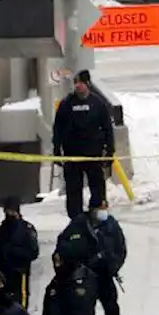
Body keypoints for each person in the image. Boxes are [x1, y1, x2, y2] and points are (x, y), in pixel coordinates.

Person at [53, 75, 115, 220]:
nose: (77, 86)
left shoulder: (98, 103)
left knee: (97, 186)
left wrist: (110, 151)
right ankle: (76, 219)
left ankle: (97, 213)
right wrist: (57, 151)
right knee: (73, 189)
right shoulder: (66, 104)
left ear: (87, 84)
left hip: (93, 154)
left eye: (80, 83)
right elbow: (58, 129)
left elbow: (107, 128)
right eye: (76, 83)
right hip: (72, 156)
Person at [91, 200, 129, 315]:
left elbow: (121, 248)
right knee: (85, 311)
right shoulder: (83, 224)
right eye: (101, 208)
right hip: (88, 275)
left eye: (105, 207)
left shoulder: (111, 225)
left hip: (105, 275)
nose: (104, 211)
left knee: (112, 310)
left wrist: (114, 265)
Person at [0, 196, 40, 309]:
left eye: (11, 210)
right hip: (4, 275)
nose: (9, 213)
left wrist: (15, 253)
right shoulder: (1, 231)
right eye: (7, 211)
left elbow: (33, 252)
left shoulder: (26, 229)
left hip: (20, 274)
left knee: (20, 306)